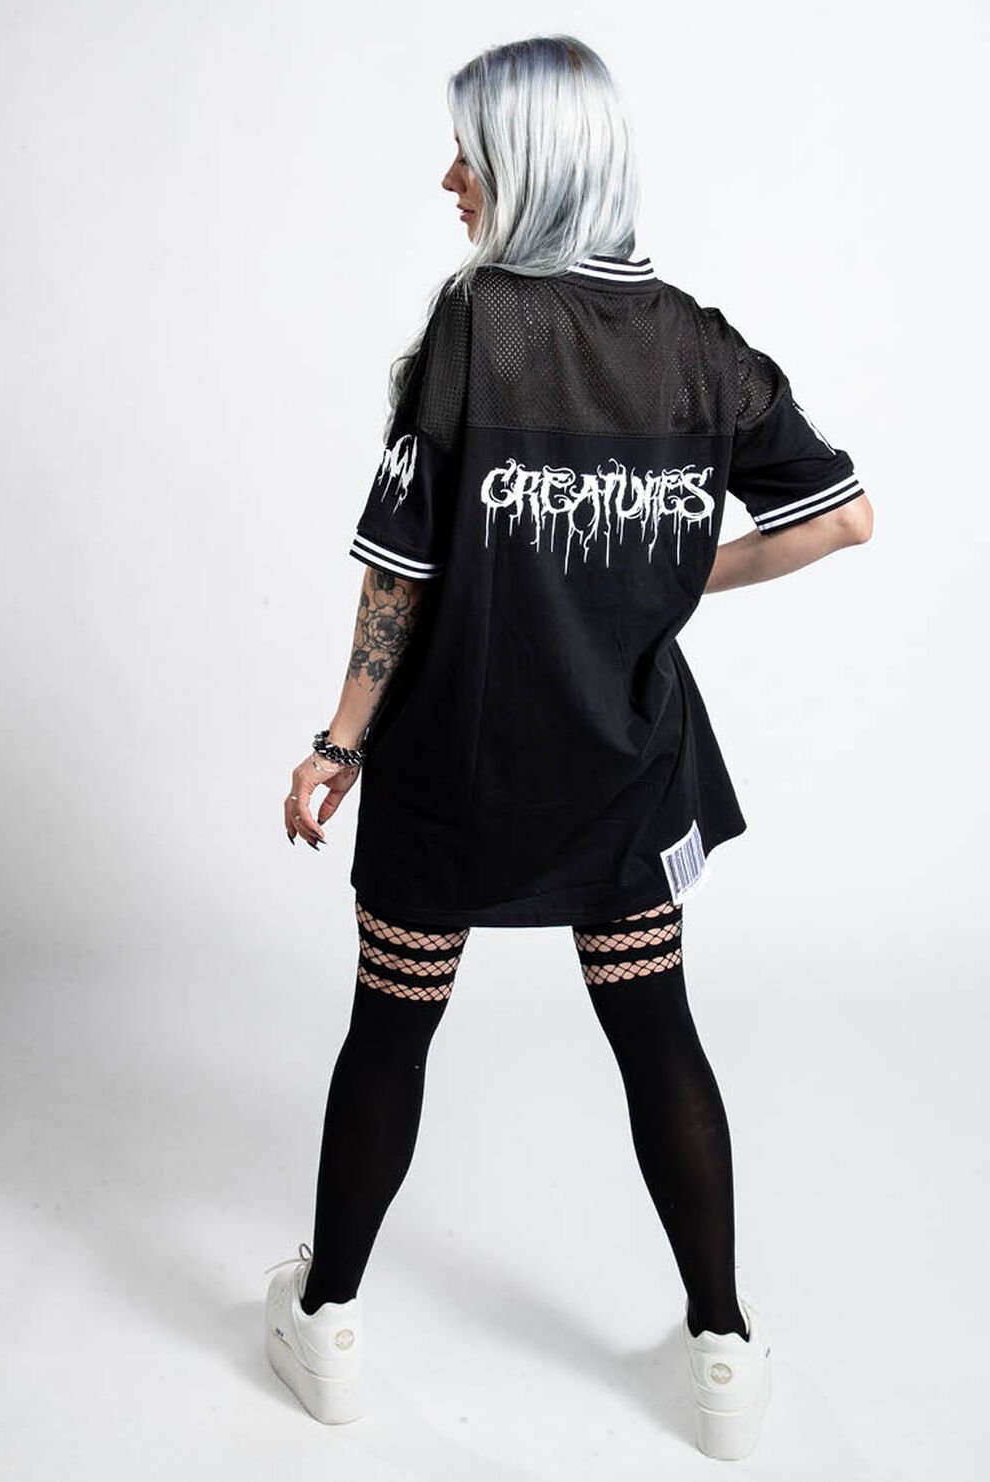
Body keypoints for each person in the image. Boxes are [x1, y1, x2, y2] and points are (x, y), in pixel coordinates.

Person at [265, 35, 873, 1459]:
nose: (450, 179)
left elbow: (400, 573)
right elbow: (843, 515)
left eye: (469, 152)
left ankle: (328, 1321)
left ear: (531, 163)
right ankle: (723, 1352)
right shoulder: (697, 345)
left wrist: (334, 745)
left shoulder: (478, 328)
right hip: (623, 770)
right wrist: (676, 573)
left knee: (392, 1029)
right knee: (656, 1035)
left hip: (454, 772)